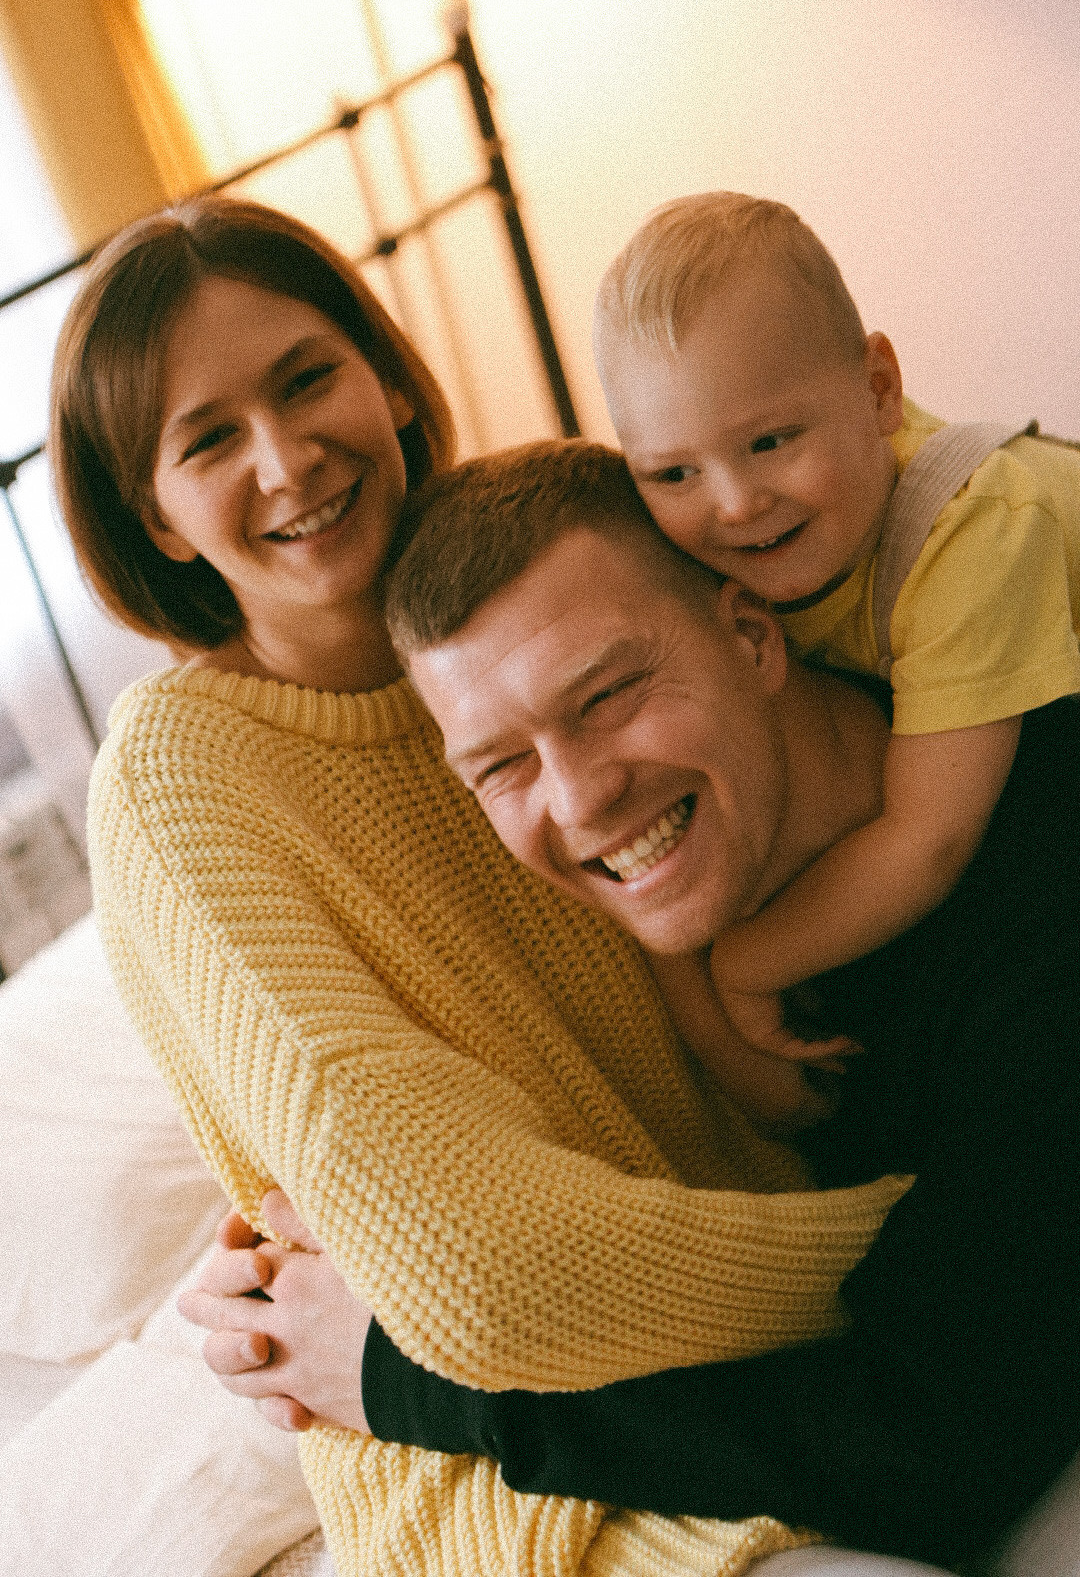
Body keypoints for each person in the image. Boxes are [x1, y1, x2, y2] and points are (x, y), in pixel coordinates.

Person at [51, 195, 911, 1577]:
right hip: (525, 1481)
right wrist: (925, 1250)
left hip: (789, 1384)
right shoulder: (177, 788)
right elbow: (485, 1280)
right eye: (208, 441)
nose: (286, 458)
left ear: (389, 376)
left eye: (307, 378)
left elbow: (910, 565)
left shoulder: (548, 553)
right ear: (152, 517)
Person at [191, 440, 1080, 1574]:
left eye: (607, 695)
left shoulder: (1038, 889)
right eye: (502, 766)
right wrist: (283, 1274)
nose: (581, 798)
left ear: (752, 635)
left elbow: (931, 1437)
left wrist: (411, 1383)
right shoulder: (673, 962)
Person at [590, 191, 1080, 1067]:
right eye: (671, 472)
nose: (735, 504)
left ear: (878, 388)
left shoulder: (972, 530)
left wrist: (745, 965)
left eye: (772, 441)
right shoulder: (740, 560)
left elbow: (927, 841)